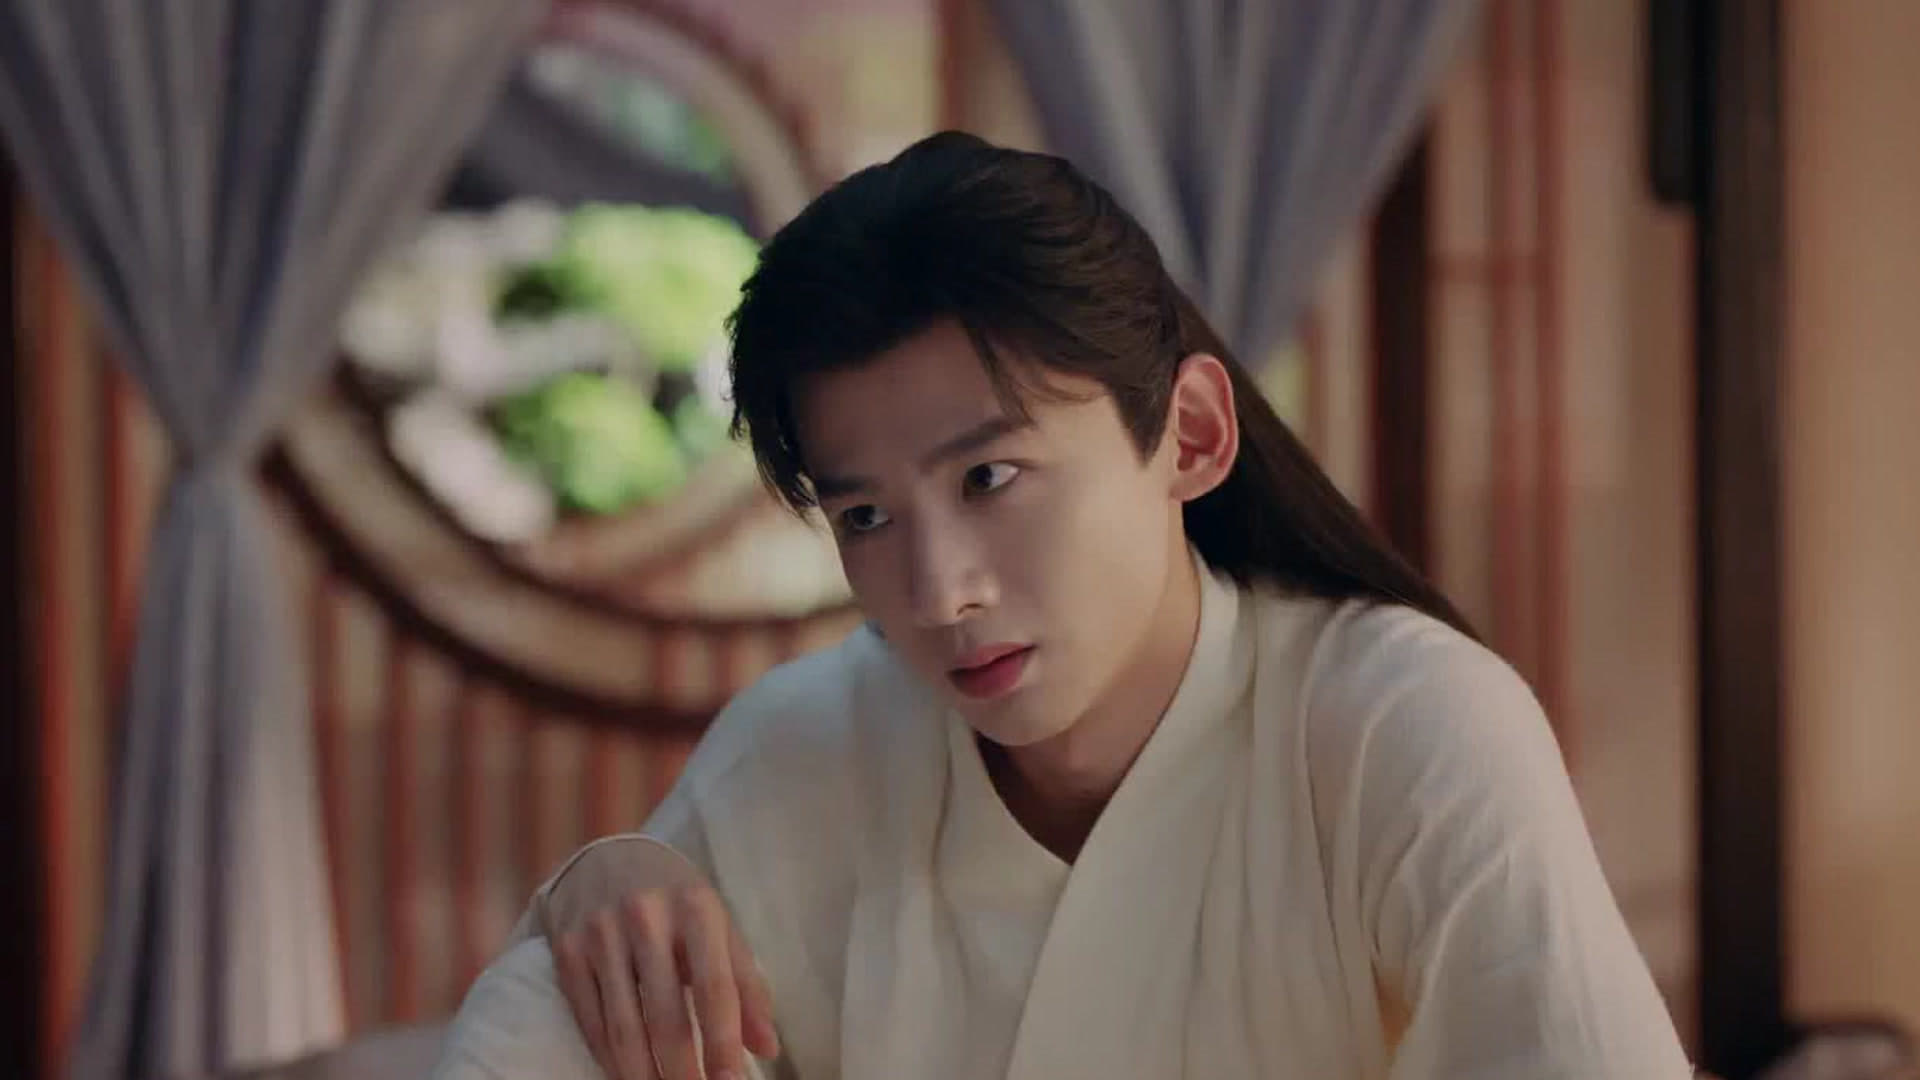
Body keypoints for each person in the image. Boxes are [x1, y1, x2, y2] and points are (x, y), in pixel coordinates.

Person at [430, 131, 1695, 1080]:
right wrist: (593, 889)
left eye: (990, 478)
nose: (941, 590)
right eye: (864, 516)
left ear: (1190, 435)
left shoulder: (1401, 729)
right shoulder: (804, 754)